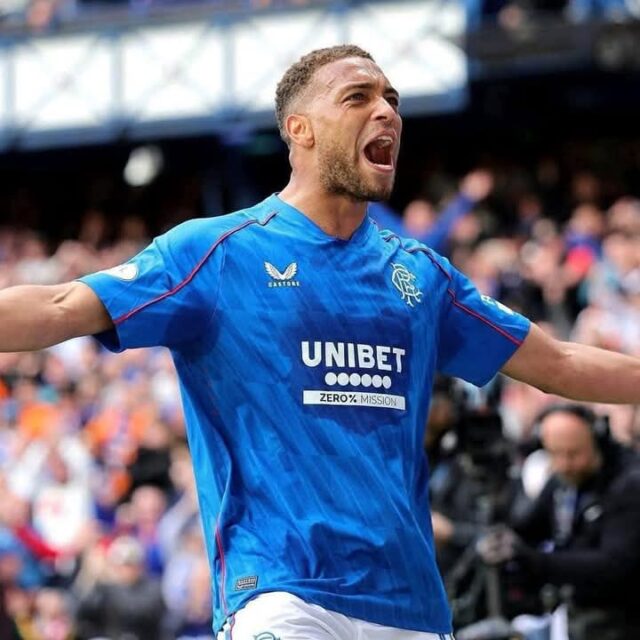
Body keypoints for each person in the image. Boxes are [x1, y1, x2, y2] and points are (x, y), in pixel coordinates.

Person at [0, 44, 638, 640]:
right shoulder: (217, 251)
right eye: (358, 97)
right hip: (281, 591)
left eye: (391, 99)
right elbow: (61, 306)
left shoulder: (420, 274)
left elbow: (558, 362)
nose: (386, 111)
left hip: (412, 602)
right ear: (299, 130)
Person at [479, 405, 640, 640]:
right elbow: (527, 528)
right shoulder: (562, 479)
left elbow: (613, 565)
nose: (564, 464)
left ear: (596, 439)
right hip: (571, 615)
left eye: (573, 454)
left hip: (623, 620)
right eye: (554, 454)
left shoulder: (629, 483)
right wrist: (503, 541)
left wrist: (537, 561)